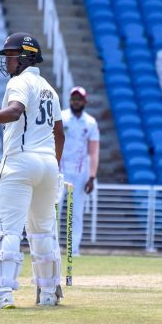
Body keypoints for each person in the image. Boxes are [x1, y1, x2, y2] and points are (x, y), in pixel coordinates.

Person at [0, 32, 66, 309]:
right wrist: (56, 166)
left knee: (7, 231)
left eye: (11, 55)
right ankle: (49, 294)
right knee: (43, 232)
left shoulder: (20, 82)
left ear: (27, 57)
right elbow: (59, 133)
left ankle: (2, 294)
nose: (7, 62)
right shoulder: (49, 89)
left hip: (20, 162)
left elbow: (15, 111)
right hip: (48, 166)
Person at [59, 85, 100, 256]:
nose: (76, 102)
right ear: (70, 100)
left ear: (84, 101)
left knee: (76, 214)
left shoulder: (90, 122)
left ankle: (73, 250)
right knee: (53, 211)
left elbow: (94, 151)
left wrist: (92, 176)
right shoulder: (61, 117)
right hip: (59, 171)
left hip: (80, 173)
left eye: (79, 99)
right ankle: (50, 249)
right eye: (73, 99)